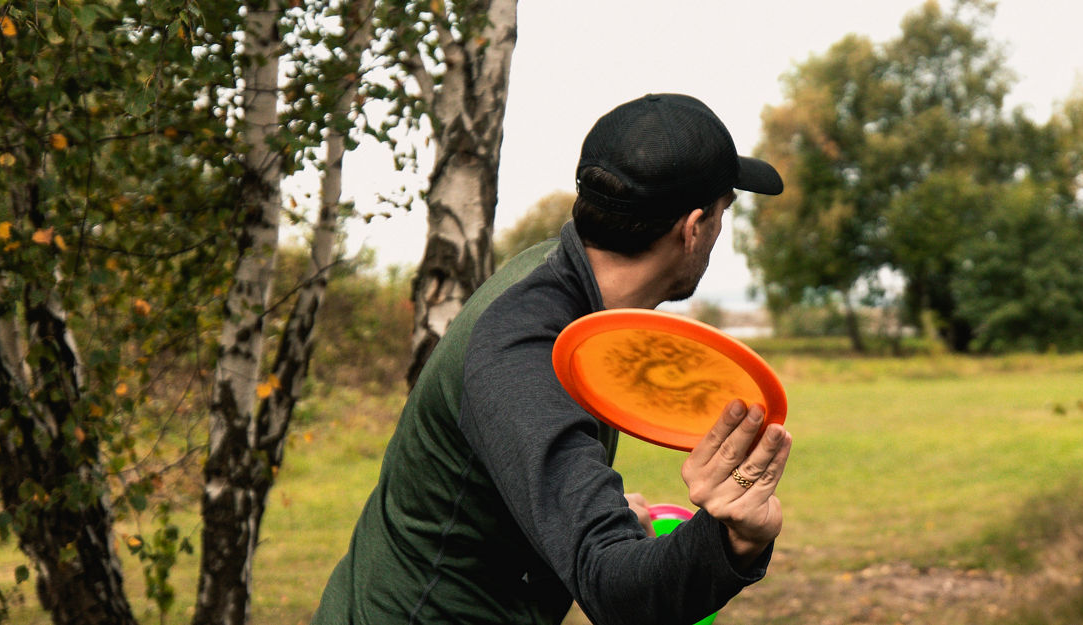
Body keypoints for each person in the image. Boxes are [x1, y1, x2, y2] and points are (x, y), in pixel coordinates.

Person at [311, 93, 794, 625]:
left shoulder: (563, 288)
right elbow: (615, 589)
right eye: (725, 213)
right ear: (694, 227)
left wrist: (590, 515)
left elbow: (539, 489)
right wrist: (732, 536)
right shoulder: (522, 347)